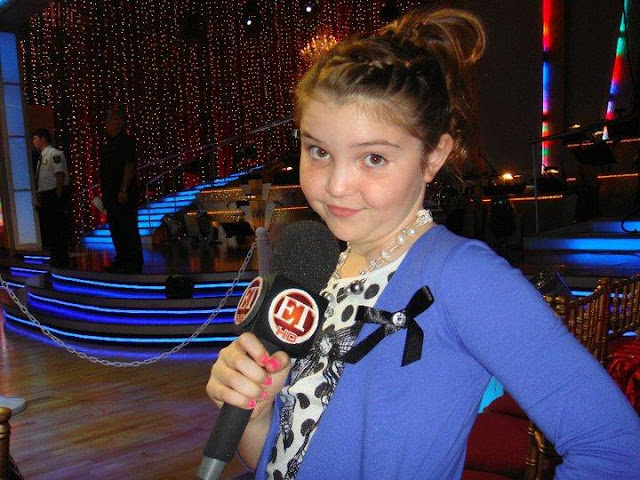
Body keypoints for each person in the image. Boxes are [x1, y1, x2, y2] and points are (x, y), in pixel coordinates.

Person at [206, 8, 640, 479]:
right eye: (319, 151)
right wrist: (257, 414)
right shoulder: (321, 266)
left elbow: (616, 450)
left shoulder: (462, 276)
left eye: (373, 158)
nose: (336, 185)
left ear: (434, 157)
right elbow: (280, 459)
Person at [99, 110, 143, 273]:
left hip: (123, 191)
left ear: (119, 122)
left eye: (110, 119)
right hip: (110, 192)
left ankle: (133, 261)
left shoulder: (126, 141)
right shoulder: (108, 144)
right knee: (116, 227)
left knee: (127, 227)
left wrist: (123, 189)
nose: (106, 123)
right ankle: (121, 258)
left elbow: (129, 165)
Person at [32, 128, 71, 268]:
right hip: (46, 195)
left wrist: (58, 193)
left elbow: (59, 174)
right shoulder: (41, 157)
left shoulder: (54, 154)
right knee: (50, 228)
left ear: (43, 138)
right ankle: (55, 256)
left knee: (57, 227)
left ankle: (61, 257)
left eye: (35, 138)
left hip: (53, 194)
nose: (33, 141)